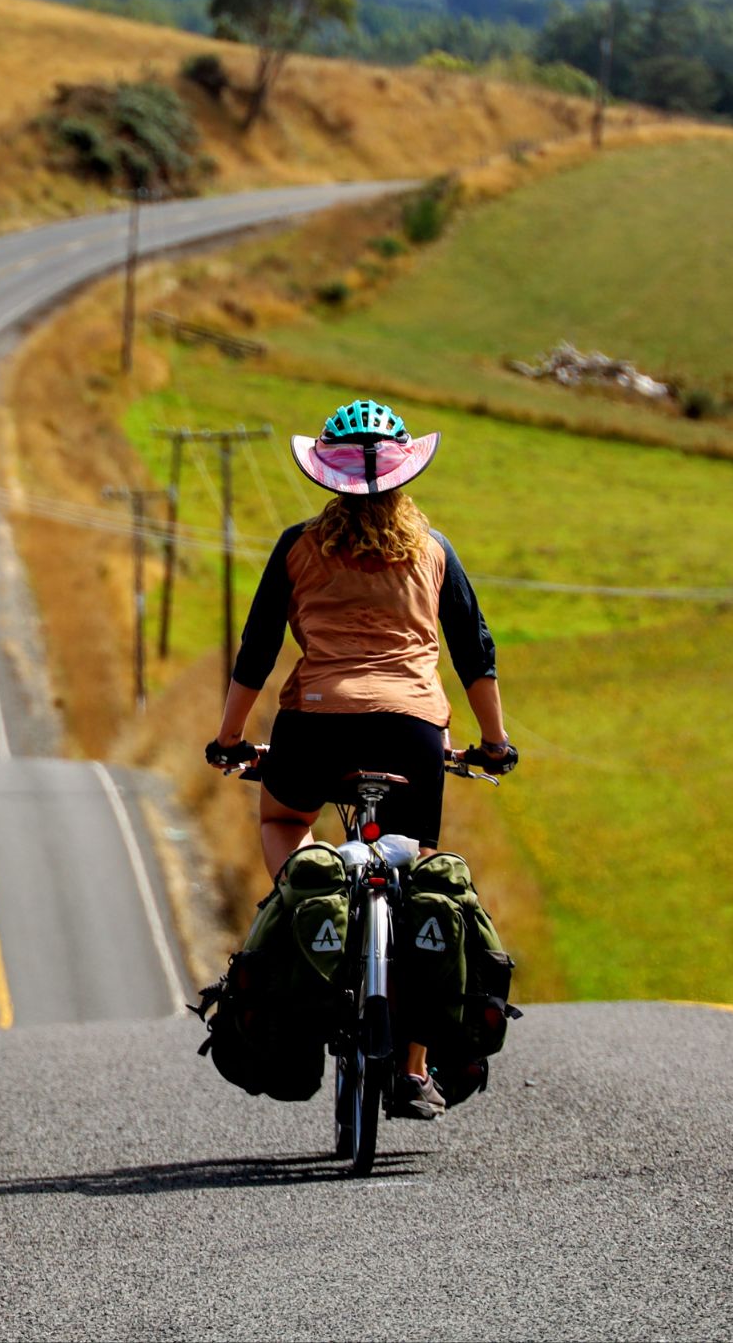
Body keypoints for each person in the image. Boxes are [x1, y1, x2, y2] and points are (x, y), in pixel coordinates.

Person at [205, 398, 517, 1120]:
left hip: (316, 725)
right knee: (415, 881)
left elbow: (255, 649)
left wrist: (229, 738)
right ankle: (410, 1071)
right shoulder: (434, 549)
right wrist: (494, 744)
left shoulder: (297, 546)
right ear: (404, 475)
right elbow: (476, 651)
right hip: (413, 731)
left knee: (284, 818)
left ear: (328, 478)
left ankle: (321, 911)